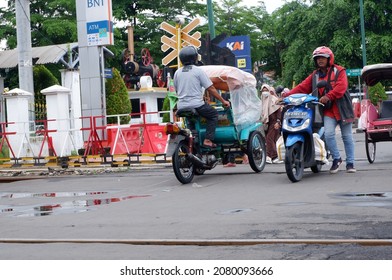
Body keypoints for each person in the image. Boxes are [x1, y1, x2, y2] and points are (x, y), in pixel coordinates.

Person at [282, 46, 356, 173]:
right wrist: (285, 97)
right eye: (317, 58)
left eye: (323, 58)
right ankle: (337, 159)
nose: (320, 60)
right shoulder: (315, 75)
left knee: (347, 136)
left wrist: (328, 96)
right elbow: (302, 87)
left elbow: (341, 87)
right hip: (327, 110)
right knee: (328, 134)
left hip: (342, 108)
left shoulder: (339, 71)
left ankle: (350, 163)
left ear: (329, 59)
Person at [174, 46, 230, 148]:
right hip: (196, 105)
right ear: (195, 57)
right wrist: (223, 101)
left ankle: (192, 140)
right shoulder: (198, 71)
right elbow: (211, 88)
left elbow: (177, 90)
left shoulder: (177, 72)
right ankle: (208, 140)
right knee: (213, 114)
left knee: (190, 122)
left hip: (181, 106)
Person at [261, 84, 283, 164]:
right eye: (263, 91)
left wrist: (278, 121)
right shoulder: (263, 100)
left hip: (274, 122)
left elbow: (278, 111)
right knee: (270, 139)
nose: (264, 92)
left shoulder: (274, 99)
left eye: (266, 90)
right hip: (267, 123)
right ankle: (273, 157)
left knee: (269, 138)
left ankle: (271, 156)